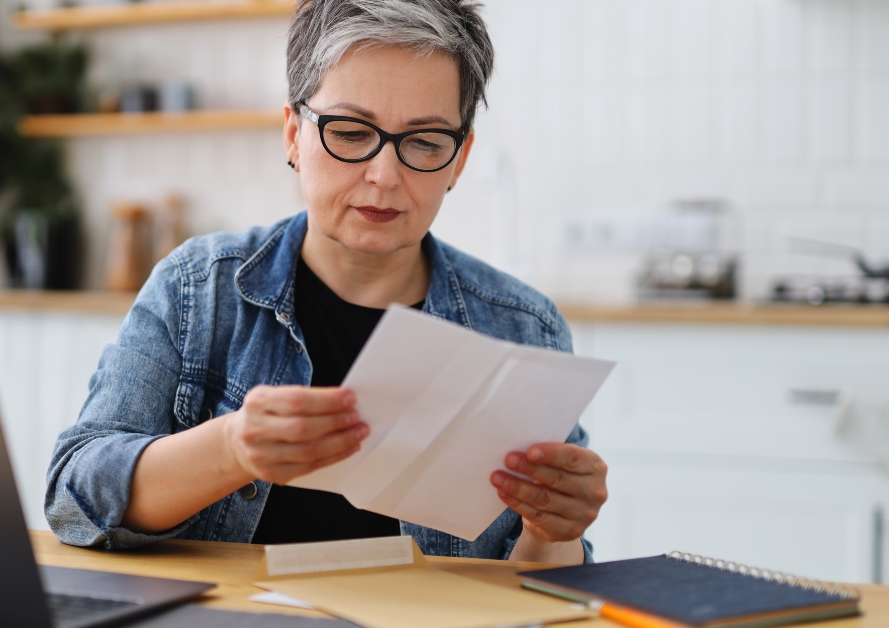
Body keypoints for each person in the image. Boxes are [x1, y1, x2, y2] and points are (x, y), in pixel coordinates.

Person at [46, 0, 607, 564]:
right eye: (350, 131)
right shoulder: (199, 290)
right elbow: (75, 497)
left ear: (459, 159)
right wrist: (231, 447)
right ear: (293, 135)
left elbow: (537, 590)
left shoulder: (521, 327)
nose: (385, 176)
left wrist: (552, 532)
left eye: (426, 142)